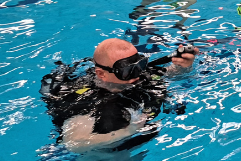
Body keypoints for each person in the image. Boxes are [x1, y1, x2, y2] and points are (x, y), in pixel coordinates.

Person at [40, 37, 196, 152]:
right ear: (101, 74)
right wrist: (130, 130)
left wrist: (184, 66)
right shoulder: (88, 101)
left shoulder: (137, 76)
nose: (137, 75)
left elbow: (168, 74)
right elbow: (75, 144)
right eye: (127, 71)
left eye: (140, 65)